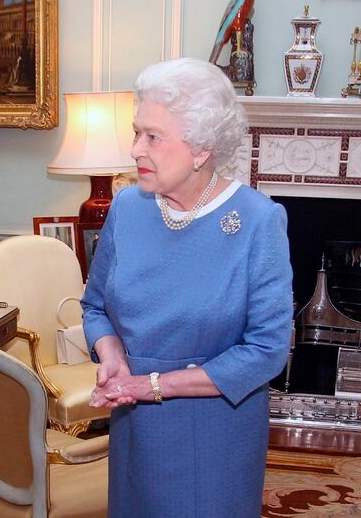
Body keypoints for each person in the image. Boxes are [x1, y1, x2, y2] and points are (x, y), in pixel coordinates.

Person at [82, 58, 292, 517]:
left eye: (152, 136)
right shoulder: (127, 207)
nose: (136, 148)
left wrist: (153, 385)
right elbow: (95, 306)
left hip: (216, 430)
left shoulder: (259, 222)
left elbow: (267, 350)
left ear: (201, 147)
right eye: (137, 132)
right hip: (135, 424)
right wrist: (114, 359)